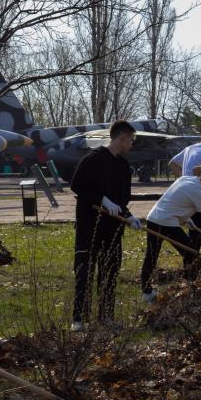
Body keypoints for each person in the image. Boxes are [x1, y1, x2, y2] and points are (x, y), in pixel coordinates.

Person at [69, 120, 141, 331]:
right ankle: (79, 319)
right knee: (85, 272)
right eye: (131, 140)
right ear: (122, 137)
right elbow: (77, 185)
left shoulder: (123, 166)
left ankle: (106, 316)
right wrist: (101, 199)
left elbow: (122, 200)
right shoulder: (94, 159)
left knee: (109, 273)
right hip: (90, 228)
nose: (132, 144)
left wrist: (128, 216)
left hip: (112, 230)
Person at [140, 166, 201, 300]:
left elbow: (174, 199)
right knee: (191, 253)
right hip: (167, 222)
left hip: (153, 218)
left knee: (151, 256)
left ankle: (147, 292)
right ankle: (190, 286)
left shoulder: (185, 179)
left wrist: (186, 218)